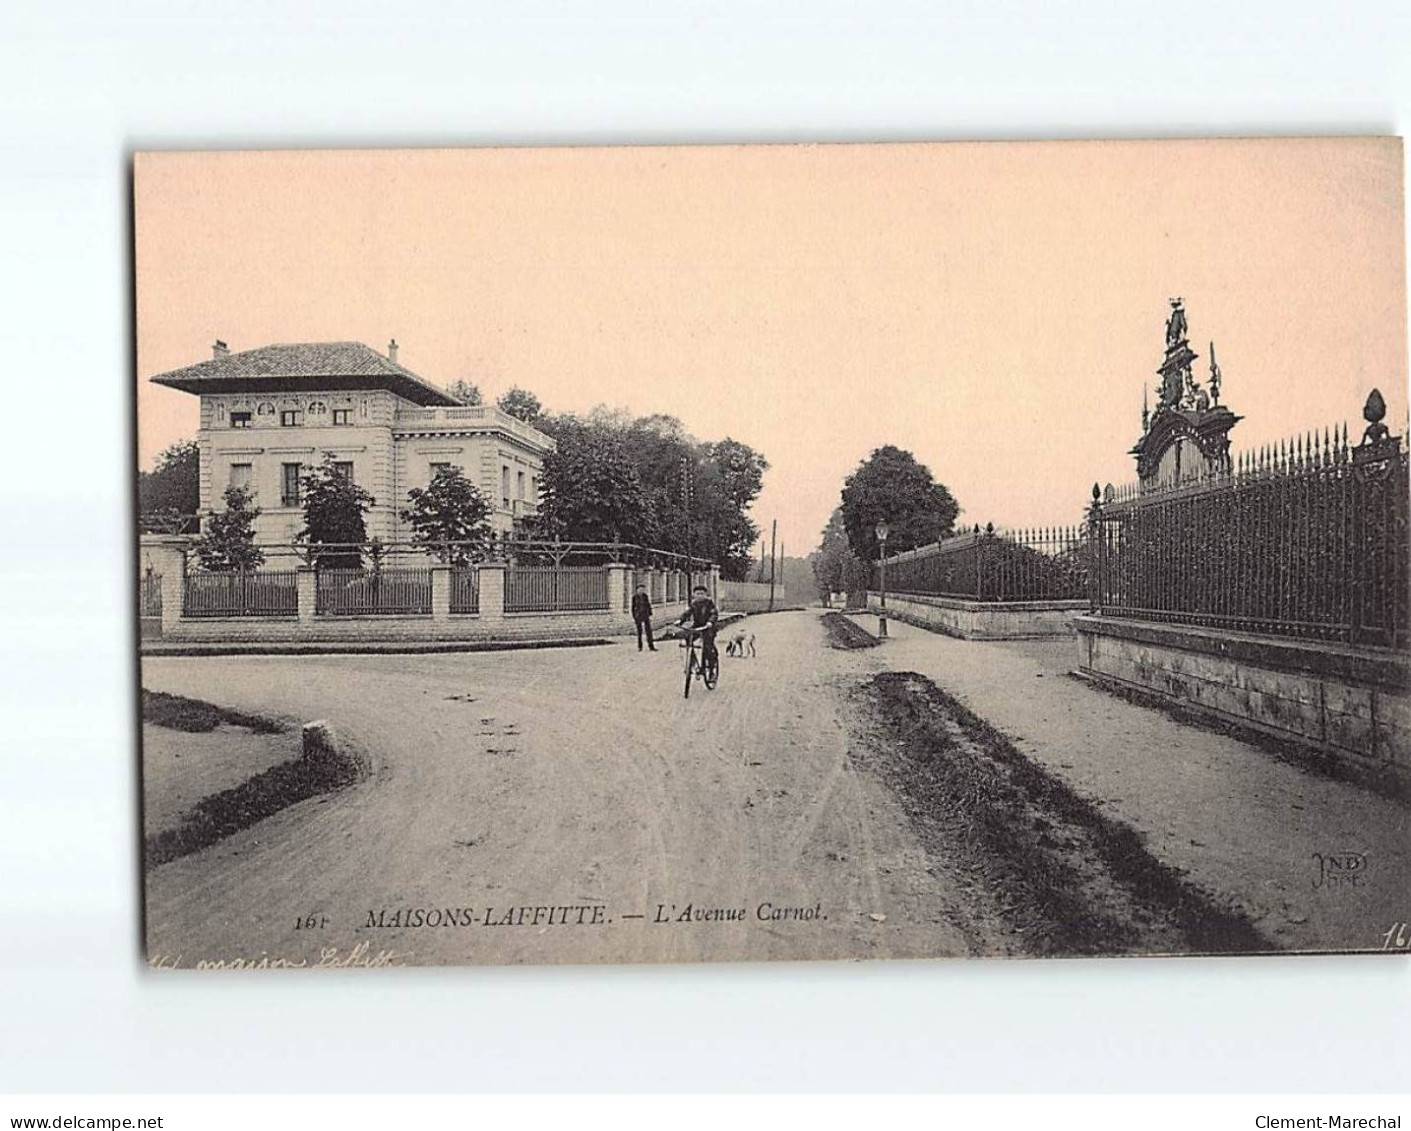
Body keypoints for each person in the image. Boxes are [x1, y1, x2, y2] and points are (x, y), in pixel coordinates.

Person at [676, 584, 719, 672]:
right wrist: (680, 620)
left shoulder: (709, 603)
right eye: (697, 594)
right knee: (688, 638)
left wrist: (710, 622)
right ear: (694, 595)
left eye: (702, 593)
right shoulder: (694, 604)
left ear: (705, 595)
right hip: (697, 626)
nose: (699, 596)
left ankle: (711, 668)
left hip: (708, 627)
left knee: (707, 646)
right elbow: (687, 613)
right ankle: (691, 662)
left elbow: (714, 613)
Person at [631, 583, 657, 652]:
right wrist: (634, 616)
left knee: (648, 632)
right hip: (638, 616)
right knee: (639, 632)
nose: (641, 590)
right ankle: (640, 647)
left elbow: (648, 605)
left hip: (645, 615)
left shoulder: (645, 596)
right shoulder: (634, 597)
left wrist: (650, 614)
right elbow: (633, 608)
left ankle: (651, 646)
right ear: (637, 590)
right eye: (640, 589)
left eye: (643, 589)